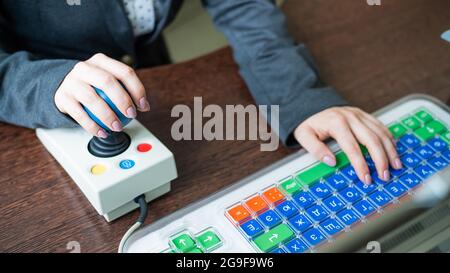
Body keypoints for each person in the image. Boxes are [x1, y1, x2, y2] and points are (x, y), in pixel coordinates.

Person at [0, 0, 401, 184]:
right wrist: (46, 85)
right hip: (37, 108)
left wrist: (298, 97)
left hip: (149, 79)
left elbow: (243, 5)